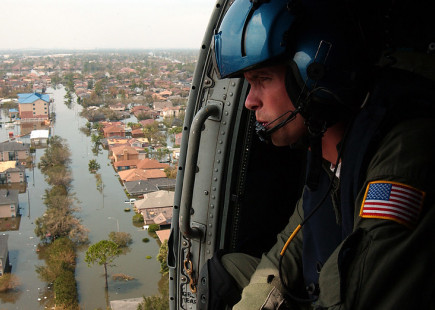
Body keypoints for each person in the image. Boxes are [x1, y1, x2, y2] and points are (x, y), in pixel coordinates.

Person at [208, 0, 435, 309]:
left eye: (263, 80)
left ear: (314, 72)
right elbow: (298, 233)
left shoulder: (403, 150)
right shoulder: (326, 146)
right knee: (225, 272)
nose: (250, 102)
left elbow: (356, 293)